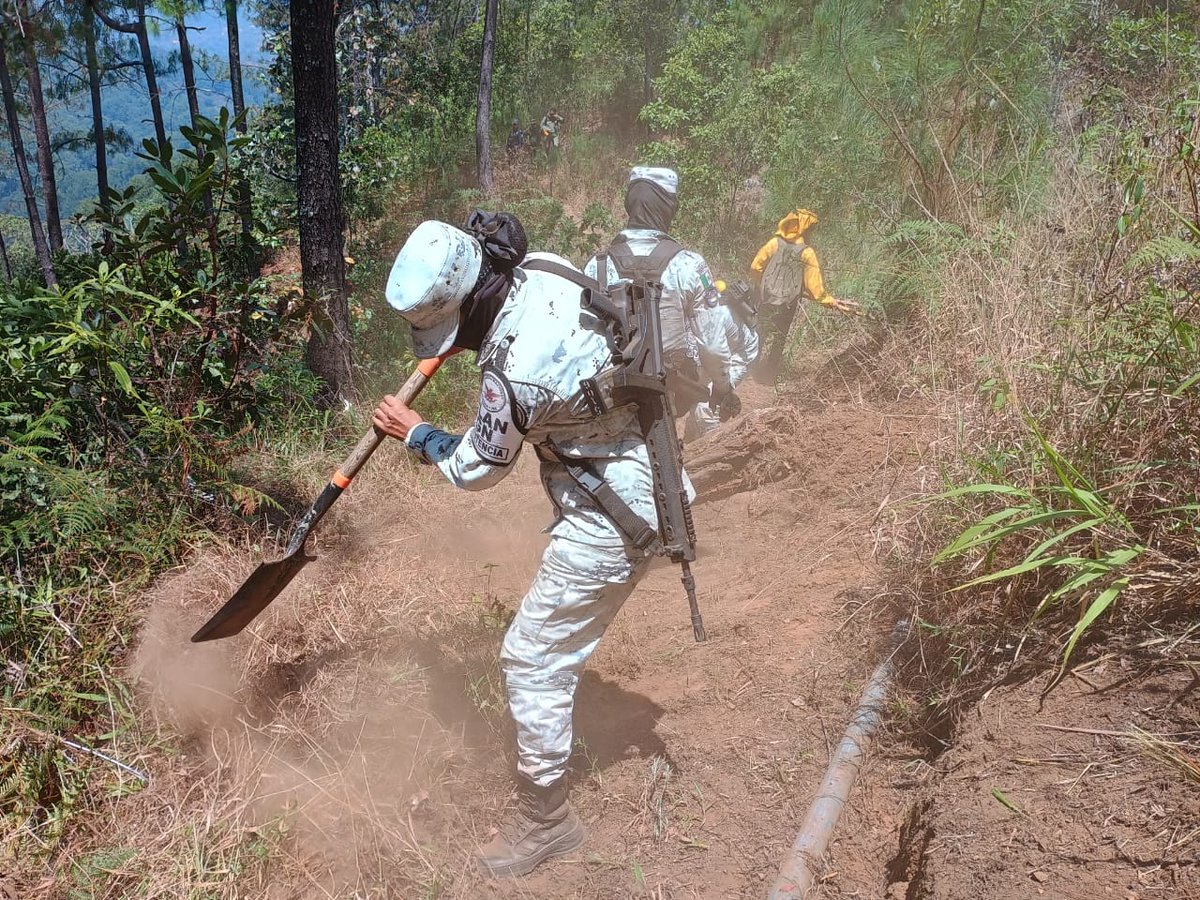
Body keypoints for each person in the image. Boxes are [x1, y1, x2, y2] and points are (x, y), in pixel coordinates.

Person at [371, 214, 661, 879]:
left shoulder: (514, 373)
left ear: (469, 305)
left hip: (613, 514)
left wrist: (416, 432)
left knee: (530, 659)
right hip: (641, 463)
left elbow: (477, 469)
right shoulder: (546, 269)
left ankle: (547, 821)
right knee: (548, 647)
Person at [584, 166, 738, 424]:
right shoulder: (689, 265)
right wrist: (723, 387)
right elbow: (711, 343)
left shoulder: (596, 265)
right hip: (668, 396)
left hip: (609, 395)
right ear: (668, 208)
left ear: (629, 205)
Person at [749, 208, 856, 383]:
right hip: (788, 304)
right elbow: (815, 289)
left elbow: (755, 267)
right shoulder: (807, 253)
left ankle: (751, 370)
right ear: (806, 229)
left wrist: (763, 285)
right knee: (780, 337)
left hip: (767, 299)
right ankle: (768, 375)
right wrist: (828, 300)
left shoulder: (774, 243)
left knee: (760, 333)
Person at [687, 278, 759, 438]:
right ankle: (692, 434)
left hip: (741, 354)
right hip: (720, 349)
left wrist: (722, 387)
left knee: (707, 401)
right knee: (698, 392)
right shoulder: (699, 301)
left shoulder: (714, 316)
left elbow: (716, 353)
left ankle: (712, 442)